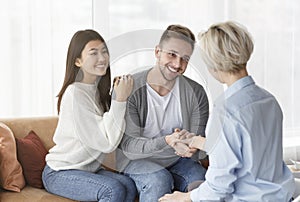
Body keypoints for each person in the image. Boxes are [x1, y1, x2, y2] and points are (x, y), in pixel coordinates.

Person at [159, 21, 296, 202]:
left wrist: (183, 197)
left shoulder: (226, 110)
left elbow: (218, 188)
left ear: (214, 64)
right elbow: (246, 149)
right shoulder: (268, 100)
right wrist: (194, 140)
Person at [116, 24, 210, 202]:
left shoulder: (196, 93)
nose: (177, 64)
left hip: (179, 160)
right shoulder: (131, 88)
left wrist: (189, 147)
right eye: (172, 54)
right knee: (158, 179)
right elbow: (129, 147)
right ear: (157, 52)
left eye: (185, 59)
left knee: (202, 183)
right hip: (137, 161)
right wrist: (168, 141)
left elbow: (199, 143)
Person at [42, 29, 137, 202]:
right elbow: (106, 143)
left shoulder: (99, 91)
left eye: (104, 52)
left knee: (129, 185)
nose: (102, 58)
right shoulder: (74, 94)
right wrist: (120, 100)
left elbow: (112, 136)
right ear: (78, 61)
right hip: (60, 172)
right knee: (112, 190)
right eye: (93, 53)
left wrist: (120, 98)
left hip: (86, 170)